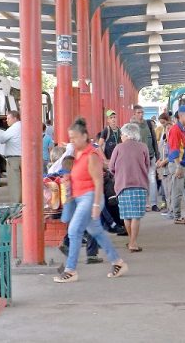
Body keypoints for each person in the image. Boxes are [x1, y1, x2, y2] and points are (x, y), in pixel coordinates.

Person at [54, 118, 127, 283]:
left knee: (74, 231)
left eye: (74, 137)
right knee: (97, 232)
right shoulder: (77, 154)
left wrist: (95, 204)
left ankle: (70, 270)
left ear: (84, 136)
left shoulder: (91, 155)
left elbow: (98, 181)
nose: (71, 141)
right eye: (70, 138)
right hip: (80, 198)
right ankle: (118, 262)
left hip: (90, 197)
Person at [109, 123, 150, 252]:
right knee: (136, 216)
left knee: (127, 216)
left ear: (127, 134)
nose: (121, 136)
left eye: (122, 134)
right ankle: (133, 242)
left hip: (123, 186)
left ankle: (131, 241)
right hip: (139, 185)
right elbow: (147, 166)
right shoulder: (143, 147)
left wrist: (120, 174)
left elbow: (111, 167)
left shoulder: (118, 148)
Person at [132, 105, 159, 212]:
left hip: (151, 156)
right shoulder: (132, 126)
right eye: (138, 113)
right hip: (138, 159)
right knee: (139, 181)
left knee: (152, 180)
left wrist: (157, 155)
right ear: (134, 114)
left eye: (142, 112)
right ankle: (142, 204)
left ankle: (153, 204)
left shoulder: (148, 124)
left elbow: (153, 139)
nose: (141, 114)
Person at [0, 110, 22, 204]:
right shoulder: (24, 126)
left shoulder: (13, 128)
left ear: (15, 118)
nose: (6, 120)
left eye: (8, 118)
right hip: (25, 158)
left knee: (14, 183)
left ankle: (15, 206)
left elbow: (2, 139)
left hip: (14, 159)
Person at [156, 113, 172, 213]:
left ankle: (172, 210)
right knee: (165, 189)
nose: (163, 126)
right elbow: (161, 148)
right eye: (161, 123)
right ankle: (170, 208)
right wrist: (159, 160)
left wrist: (163, 162)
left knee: (169, 189)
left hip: (168, 165)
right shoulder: (162, 132)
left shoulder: (171, 132)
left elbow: (173, 152)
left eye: (164, 123)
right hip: (164, 164)